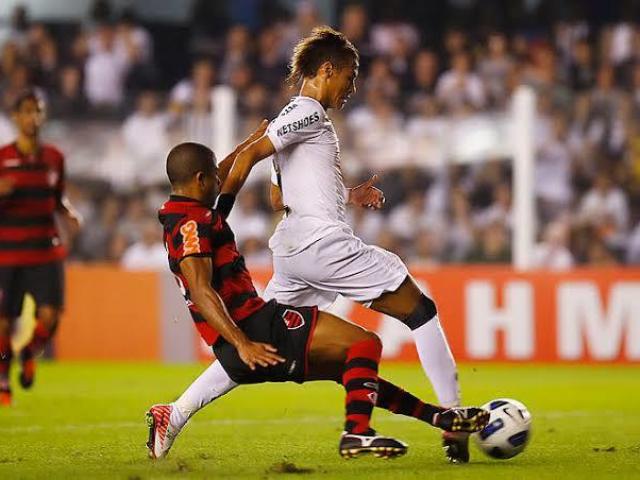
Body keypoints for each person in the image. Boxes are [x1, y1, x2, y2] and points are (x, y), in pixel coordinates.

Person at [146, 133, 489, 460]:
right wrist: (241, 343)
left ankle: (440, 420)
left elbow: (227, 179)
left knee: (352, 368)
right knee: (364, 345)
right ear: (200, 180)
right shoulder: (191, 226)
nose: (222, 181)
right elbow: (201, 291)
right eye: (214, 178)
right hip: (254, 330)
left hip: (251, 328)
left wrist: (249, 145)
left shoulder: (195, 213)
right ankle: (357, 432)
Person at [245, 26, 468, 463]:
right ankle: (454, 420)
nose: (353, 86)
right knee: (419, 310)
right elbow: (253, 157)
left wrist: (347, 195)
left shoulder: (290, 117)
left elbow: (278, 197)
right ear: (328, 70)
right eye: (350, 75)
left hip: (291, 249)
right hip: (320, 245)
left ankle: (174, 413)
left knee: (261, 341)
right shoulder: (307, 114)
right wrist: (222, 200)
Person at [0, 90, 82, 406]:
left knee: (49, 317)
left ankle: (29, 351)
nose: (32, 117)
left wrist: (69, 211)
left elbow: (57, 196)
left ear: (42, 116)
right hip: (7, 253)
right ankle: (4, 377)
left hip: (46, 249)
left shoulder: (54, 158)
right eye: (26, 111)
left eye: (37, 111)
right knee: (4, 321)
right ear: (16, 117)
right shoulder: (3, 158)